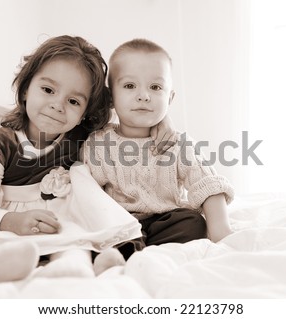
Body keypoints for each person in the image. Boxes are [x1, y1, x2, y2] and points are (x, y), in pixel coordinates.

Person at [0, 35, 172, 286]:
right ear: (26, 87)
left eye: (73, 101)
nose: (58, 105)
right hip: (11, 215)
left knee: (75, 239)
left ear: (85, 112)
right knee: (7, 240)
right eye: (48, 90)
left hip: (61, 217)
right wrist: (13, 221)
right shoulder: (0, 145)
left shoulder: (81, 135)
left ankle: (77, 268)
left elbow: (128, 122)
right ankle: (4, 267)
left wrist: (162, 122)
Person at [83, 38, 235, 270]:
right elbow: (89, 193)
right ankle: (125, 254)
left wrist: (221, 233)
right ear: (111, 97)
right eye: (130, 86)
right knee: (107, 230)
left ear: (170, 98)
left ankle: (140, 253)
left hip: (166, 220)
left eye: (155, 87)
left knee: (193, 222)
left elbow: (207, 185)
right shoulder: (99, 143)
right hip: (123, 221)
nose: (144, 95)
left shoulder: (177, 143)